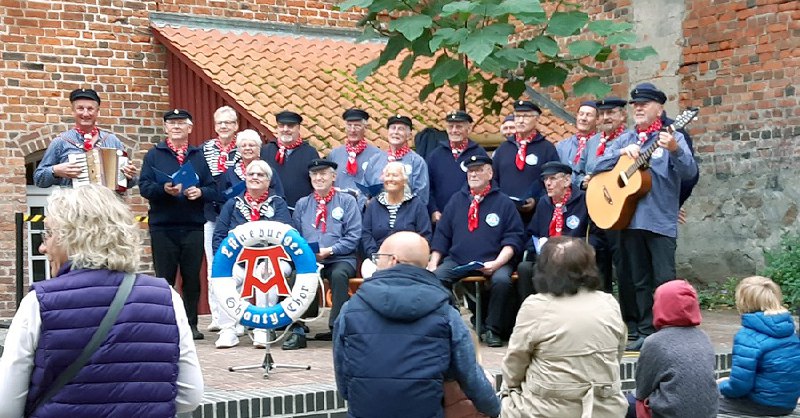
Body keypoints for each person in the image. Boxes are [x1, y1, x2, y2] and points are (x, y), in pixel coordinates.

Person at [0, 185, 203, 417]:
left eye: (48, 234)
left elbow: (6, 406)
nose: (43, 246)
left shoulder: (38, 302)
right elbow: (190, 396)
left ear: (72, 237)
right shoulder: (167, 297)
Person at [333, 231, 500, 418]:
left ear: (393, 260)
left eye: (378, 257)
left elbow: (344, 384)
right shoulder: (446, 313)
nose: (376, 262)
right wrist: (495, 409)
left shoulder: (350, 310)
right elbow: (470, 377)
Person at [593, 83, 698, 351]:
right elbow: (596, 166)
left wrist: (674, 148)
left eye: (645, 104)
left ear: (660, 108)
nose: (638, 108)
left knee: (664, 278)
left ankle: (670, 330)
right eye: (636, 105)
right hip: (629, 219)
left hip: (660, 219)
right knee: (637, 278)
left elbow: (689, 173)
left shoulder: (673, 136)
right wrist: (619, 153)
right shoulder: (627, 139)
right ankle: (644, 330)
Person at [501, 236, 627, 418]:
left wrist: (509, 391)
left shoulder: (536, 306)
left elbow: (515, 364)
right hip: (605, 409)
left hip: (545, 410)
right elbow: (618, 352)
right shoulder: (608, 302)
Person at [427, 155, 524, 347]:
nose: (474, 174)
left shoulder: (504, 202)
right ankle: (454, 324)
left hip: (496, 260)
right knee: (436, 278)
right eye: (471, 170)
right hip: (458, 259)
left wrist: (497, 262)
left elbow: (513, 238)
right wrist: (433, 262)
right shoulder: (456, 200)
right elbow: (442, 235)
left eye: (479, 170)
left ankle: (492, 329)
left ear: (490, 173)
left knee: (502, 281)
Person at [139, 109, 218, 340]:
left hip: (192, 225)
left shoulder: (199, 156)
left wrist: (200, 192)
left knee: (192, 278)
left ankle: (191, 325)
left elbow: (213, 188)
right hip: (163, 226)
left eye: (181, 123)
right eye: (171, 123)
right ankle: (165, 324)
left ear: (189, 128)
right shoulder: (154, 155)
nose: (176, 127)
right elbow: (144, 187)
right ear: (165, 128)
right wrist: (163, 190)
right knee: (165, 279)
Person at [212, 160, 293, 349]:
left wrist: (270, 258)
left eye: (260, 175)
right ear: (245, 179)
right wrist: (223, 262)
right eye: (251, 174)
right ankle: (228, 330)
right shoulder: (233, 203)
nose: (255, 178)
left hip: (272, 259)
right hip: (239, 262)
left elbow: (286, 234)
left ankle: (262, 329)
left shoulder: (278, 203)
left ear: (268, 181)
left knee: (266, 274)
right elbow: (219, 235)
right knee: (226, 279)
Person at [577, 96, 638, 340]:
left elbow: (609, 165)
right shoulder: (591, 142)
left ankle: (630, 322)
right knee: (596, 267)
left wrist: (618, 154)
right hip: (595, 211)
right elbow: (581, 170)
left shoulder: (631, 139)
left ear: (623, 115)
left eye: (611, 113)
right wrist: (581, 181)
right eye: (601, 114)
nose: (605, 118)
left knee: (625, 270)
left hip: (620, 212)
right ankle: (600, 322)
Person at [288, 159, 361, 350]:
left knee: (339, 275)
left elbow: (354, 235)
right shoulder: (303, 204)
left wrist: (331, 250)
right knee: (297, 276)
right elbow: (295, 235)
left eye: (323, 174)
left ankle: (337, 327)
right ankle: (298, 327)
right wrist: (309, 253)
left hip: (340, 257)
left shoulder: (347, 201)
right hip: (310, 258)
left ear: (334, 176)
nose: (319, 178)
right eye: (315, 174)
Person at [517, 161, 607, 300]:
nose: (548, 183)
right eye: (545, 179)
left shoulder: (585, 200)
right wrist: (539, 245)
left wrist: (568, 248)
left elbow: (597, 238)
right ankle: (534, 311)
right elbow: (532, 234)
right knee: (524, 268)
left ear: (567, 180)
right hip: (547, 259)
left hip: (574, 259)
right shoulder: (543, 203)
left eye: (552, 178)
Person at [628, 280, 718, 418]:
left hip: (668, 414)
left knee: (628, 403)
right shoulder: (703, 337)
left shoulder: (655, 342)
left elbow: (642, 390)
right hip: (709, 414)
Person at [718, 276, 800, 416]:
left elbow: (739, 386)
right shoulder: (790, 329)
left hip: (761, 404)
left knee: (702, 398)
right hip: (787, 404)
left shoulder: (748, 336)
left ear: (743, 302)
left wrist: (720, 386)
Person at [33, 88, 137, 188]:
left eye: (90, 109)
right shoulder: (61, 142)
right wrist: (55, 170)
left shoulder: (112, 141)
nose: (85, 113)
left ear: (97, 111)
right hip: (74, 204)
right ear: (73, 111)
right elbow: (38, 179)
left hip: (106, 203)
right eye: (80, 108)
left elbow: (130, 183)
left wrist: (129, 176)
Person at [202, 105, 240, 333]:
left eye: (228, 123)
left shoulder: (243, 148)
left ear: (236, 126)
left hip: (235, 216)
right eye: (220, 123)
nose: (224, 127)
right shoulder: (204, 149)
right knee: (213, 265)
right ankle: (217, 316)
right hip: (211, 214)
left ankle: (237, 314)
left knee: (237, 266)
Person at [492, 100, 559, 225]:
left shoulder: (547, 148)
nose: (521, 120)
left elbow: (555, 181)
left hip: (537, 215)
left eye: (526, 116)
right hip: (506, 213)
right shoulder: (503, 149)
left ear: (536, 119)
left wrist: (536, 200)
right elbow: (493, 178)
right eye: (518, 116)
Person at [426, 110, 488, 225]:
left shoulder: (479, 154)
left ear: (468, 129)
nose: (454, 130)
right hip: (441, 219)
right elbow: (428, 187)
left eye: (459, 126)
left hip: (472, 218)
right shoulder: (435, 155)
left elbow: (488, 185)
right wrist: (433, 210)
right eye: (450, 126)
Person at [361, 161, 431, 258]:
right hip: (378, 258)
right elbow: (366, 234)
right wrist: (375, 256)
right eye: (387, 175)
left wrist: (409, 257)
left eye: (395, 175)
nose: (390, 179)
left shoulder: (416, 205)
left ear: (404, 181)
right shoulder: (374, 204)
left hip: (408, 260)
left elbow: (424, 236)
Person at [363, 115, 430, 205]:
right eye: (393, 128)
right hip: (376, 215)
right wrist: (367, 204)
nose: (396, 132)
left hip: (405, 216)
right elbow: (363, 190)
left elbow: (421, 196)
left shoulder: (417, 162)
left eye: (401, 129)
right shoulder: (375, 160)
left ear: (409, 135)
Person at [261, 110, 319, 209]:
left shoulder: (310, 153)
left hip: (301, 210)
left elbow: (317, 184)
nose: (285, 129)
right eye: (281, 126)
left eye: (290, 126)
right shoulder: (266, 151)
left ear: (298, 128)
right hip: (271, 210)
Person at [327, 108, 382, 207]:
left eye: (357, 126)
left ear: (365, 128)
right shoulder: (334, 154)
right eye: (349, 126)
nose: (352, 130)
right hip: (337, 208)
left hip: (363, 210)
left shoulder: (377, 155)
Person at [555, 101, 597, 174]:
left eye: (589, 115)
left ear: (598, 120)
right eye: (581, 114)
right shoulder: (561, 146)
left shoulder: (602, 146)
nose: (583, 118)